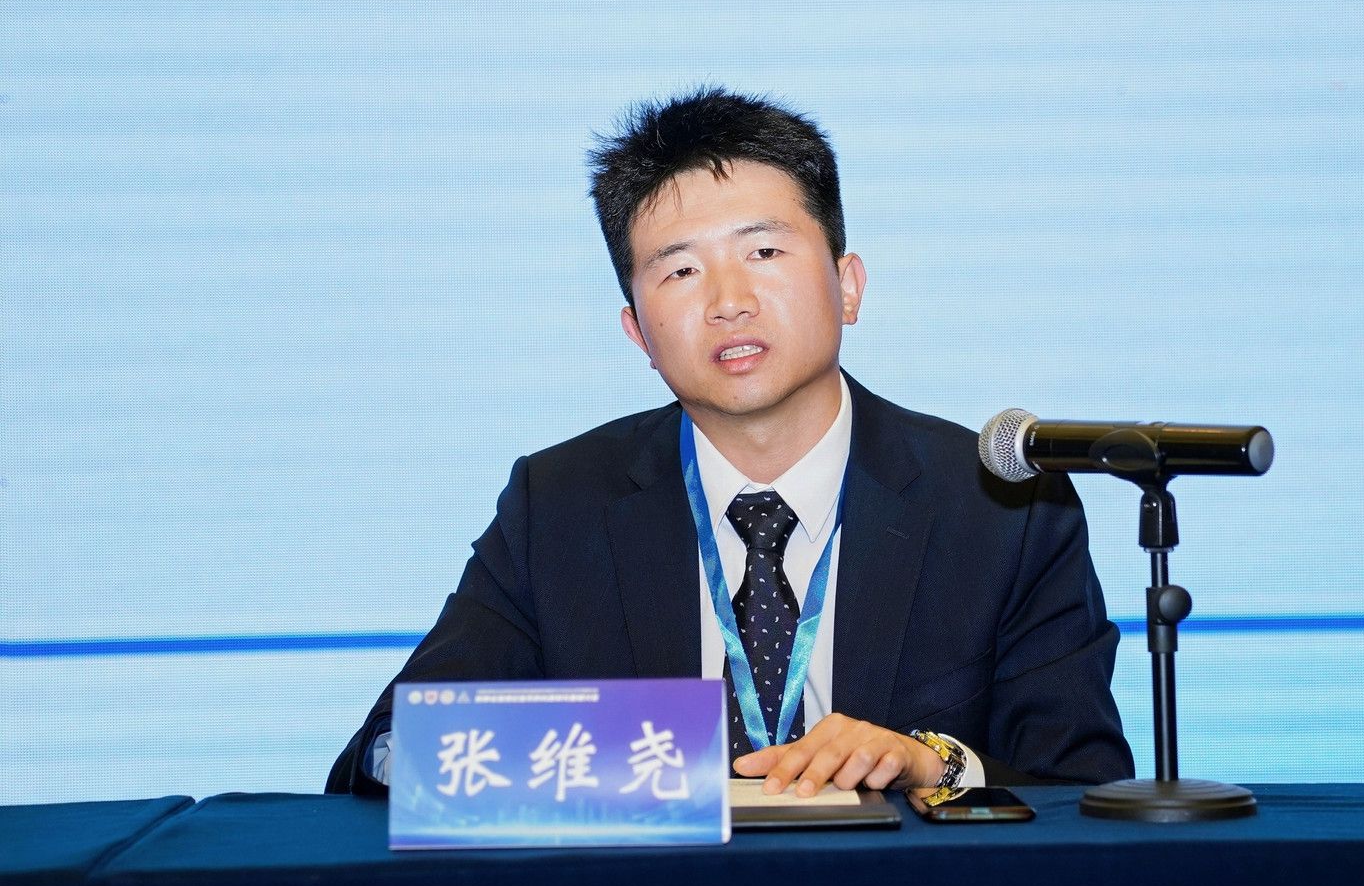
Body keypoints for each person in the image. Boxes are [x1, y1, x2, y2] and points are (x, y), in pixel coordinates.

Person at [327, 87, 1132, 797]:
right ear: (638, 332)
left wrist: (936, 765)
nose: (728, 300)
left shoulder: (1001, 508)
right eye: (680, 272)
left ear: (848, 285)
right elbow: (387, 749)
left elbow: (1084, 788)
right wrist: (605, 759)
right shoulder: (559, 507)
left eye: (764, 251)